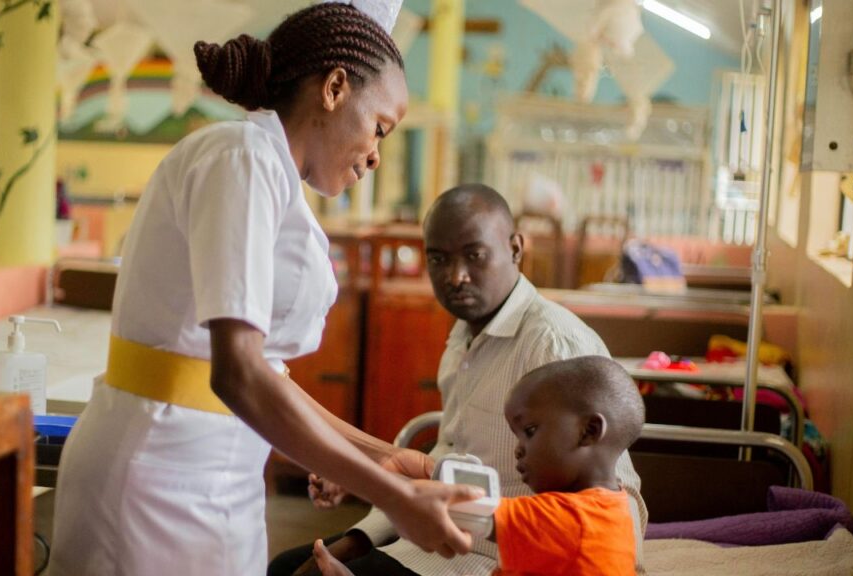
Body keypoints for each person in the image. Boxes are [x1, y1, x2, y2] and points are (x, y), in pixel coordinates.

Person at [49, 4, 481, 576]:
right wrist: (393, 497)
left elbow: (267, 373)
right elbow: (239, 373)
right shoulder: (240, 158)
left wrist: (382, 457)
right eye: (379, 128)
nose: (377, 154)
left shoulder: (274, 179)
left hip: (217, 473)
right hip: (156, 475)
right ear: (334, 88)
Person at [269, 184, 647, 575]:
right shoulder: (462, 339)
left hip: (488, 558)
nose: (456, 276)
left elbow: (616, 494)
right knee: (288, 567)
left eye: (474, 255)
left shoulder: (554, 345)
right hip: (432, 541)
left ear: (516, 249)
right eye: (438, 259)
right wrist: (358, 538)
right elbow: (446, 459)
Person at [311, 355, 645, 576]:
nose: (518, 451)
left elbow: (461, 508)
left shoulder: (571, 520)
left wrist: (358, 476)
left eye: (529, 432)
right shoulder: (605, 509)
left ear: (589, 431)